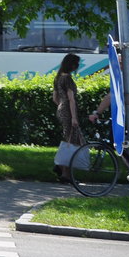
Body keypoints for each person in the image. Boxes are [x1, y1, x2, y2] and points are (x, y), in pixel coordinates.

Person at [52, 53, 83, 182]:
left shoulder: (58, 77)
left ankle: (61, 167)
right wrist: (74, 117)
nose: (78, 66)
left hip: (61, 109)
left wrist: (61, 107)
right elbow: (71, 100)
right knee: (72, 142)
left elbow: (55, 98)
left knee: (69, 140)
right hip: (68, 112)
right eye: (76, 64)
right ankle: (65, 173)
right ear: (72, 65)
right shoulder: (68, 78)